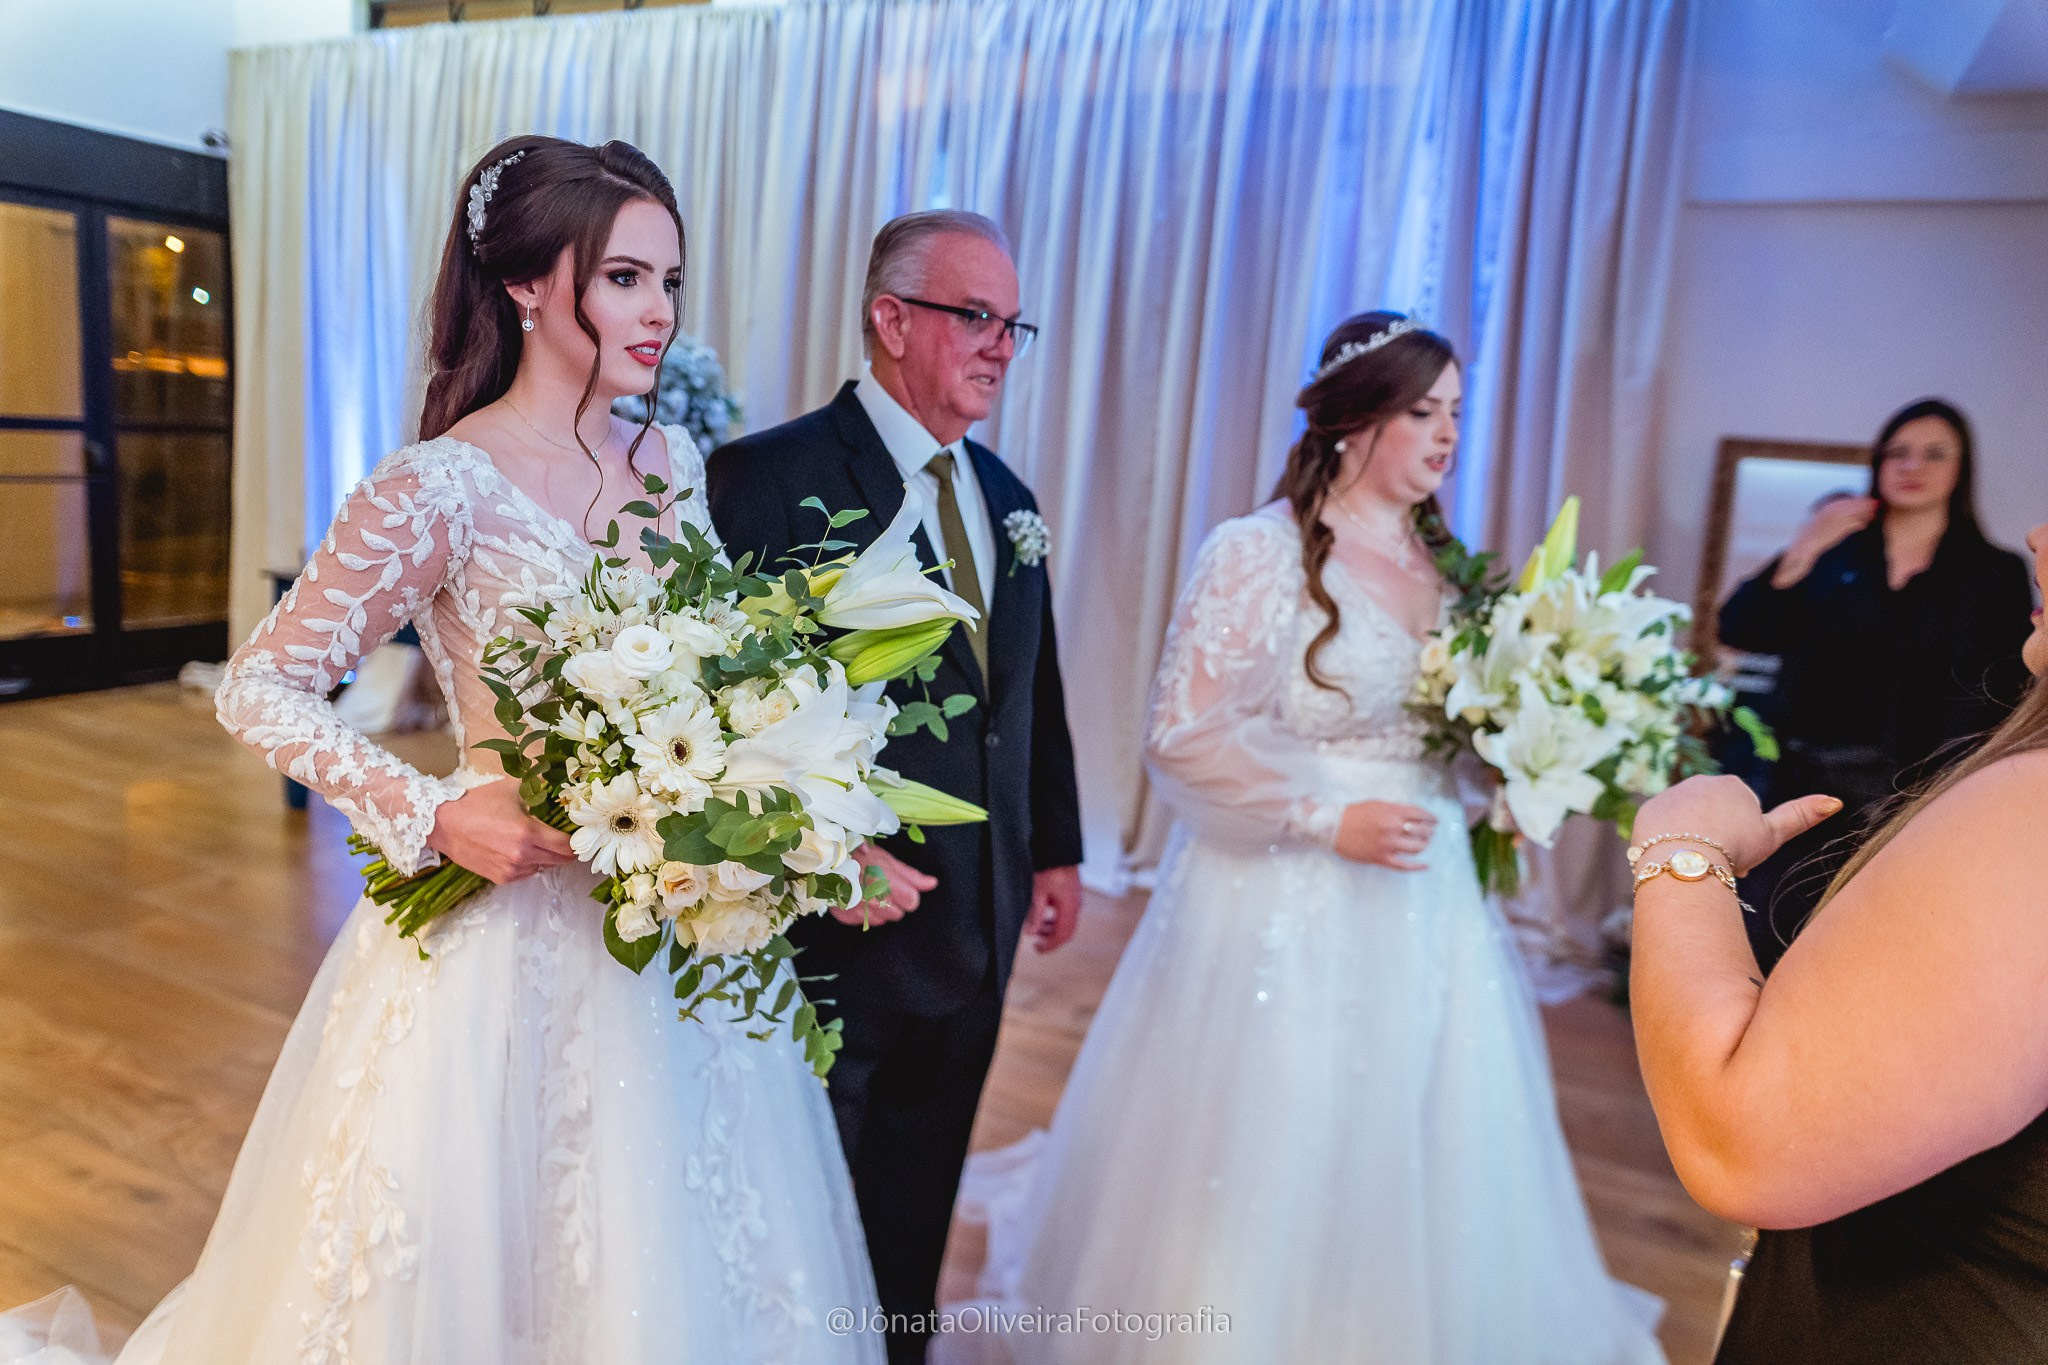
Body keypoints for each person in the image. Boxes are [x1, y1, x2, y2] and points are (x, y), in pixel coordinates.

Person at [0, 136, 881, 1365]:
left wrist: (773, 811)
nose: (659, 311)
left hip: (666, 933)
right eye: (625, 278)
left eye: (669, 281)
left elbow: (707, 682)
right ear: (526, 287)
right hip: (504, 932)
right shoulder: (441, 485)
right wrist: (432, 814)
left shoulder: (670, 462)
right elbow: (260, 686)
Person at [936, 313, 1664, 1364]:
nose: (1447, 434)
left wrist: (1511, 775)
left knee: (1422, 1125)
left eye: (1456, 413)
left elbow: (1449, 733)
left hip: (1426, 890)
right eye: (1423, 411)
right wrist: (1326, 819)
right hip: (1285, 885)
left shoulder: (1452, 569)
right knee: (1282, 1118)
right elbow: (1183, 735)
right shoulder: (1256, 551)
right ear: (1354, 420)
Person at [706, 210, 1085, 1365]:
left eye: (1012, 324)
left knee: (921, 1185)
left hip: (979, 912)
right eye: (974, 317)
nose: (1001, 346)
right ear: (889, 317)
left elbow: (1029, 689)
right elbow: (717, 701)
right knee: (805, 1188)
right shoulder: (766, 478)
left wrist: (1055, 847)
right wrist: (814, 847)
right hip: (832, 923)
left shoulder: (1006, 496)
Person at [1631, 519, 2048, 1363]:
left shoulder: (2032, 816)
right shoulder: (1840, 561)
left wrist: (1680, 847)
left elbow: (1739, 1142)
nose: (2041, 532)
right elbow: (1749, 621)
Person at [1717, 399, 2032, 971]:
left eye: (1934, 455)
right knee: (1761, 943)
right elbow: (1742, 628)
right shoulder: (1835, 550)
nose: (1913, 466)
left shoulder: (1993, 571)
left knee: (1859, 956)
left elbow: (2000, 692)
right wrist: (1804, 548)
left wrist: (1954, 799)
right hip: (1800, 787)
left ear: (1961, 469)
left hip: (1911, 799)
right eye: (1898, 453)